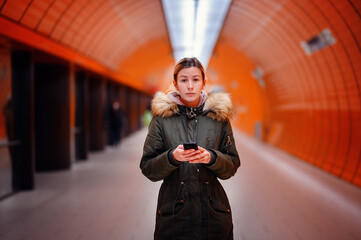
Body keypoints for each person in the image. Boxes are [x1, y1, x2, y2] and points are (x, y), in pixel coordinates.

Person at [140, 57, 240, 240]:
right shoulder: (161, 119)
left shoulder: (218, 118)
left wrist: (212, 158)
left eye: (195, 79)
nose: (190, 86)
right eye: (184, 80)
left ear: (204, 82)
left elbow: (232, 165)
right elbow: (148, 167)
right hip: (175, 215)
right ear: (175, 84)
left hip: (214, 213)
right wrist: (172, 158)